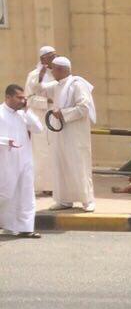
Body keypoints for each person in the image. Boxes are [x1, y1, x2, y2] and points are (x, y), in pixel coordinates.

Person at [47, 56, 96, 212]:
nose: (51, 72)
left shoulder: (77, 85)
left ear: (61, 69)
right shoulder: (57, 86)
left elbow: (84, 108)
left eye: (53, 69)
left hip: (76, 135)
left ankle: (88, 201)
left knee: (79, 165)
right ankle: (64, 200)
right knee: (61, 165)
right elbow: (39, 89)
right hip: (61, 134)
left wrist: (63, 113)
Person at [0, 84, 43, 238]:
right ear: (8, 97)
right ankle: (6, 224)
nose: (23, 100)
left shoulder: (23, 114)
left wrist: (28, 112)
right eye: (19, 98)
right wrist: (5, 141)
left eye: (24, 97)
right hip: (6, 160)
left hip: (25, 159)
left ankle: (26, 228)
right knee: (5, 194)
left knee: (26, 193)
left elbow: (38, 128)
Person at [24, 46, 56, 195]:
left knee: (56, 152)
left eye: (55, 56)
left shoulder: (58, 73)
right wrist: (47, 101)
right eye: (51, 57)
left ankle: (57, 186)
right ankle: (45, 186)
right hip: (41, 120)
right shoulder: (33, 75)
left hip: (57, 120)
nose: (54, 59)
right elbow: (28, 99)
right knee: (43, 153)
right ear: (43, 59)